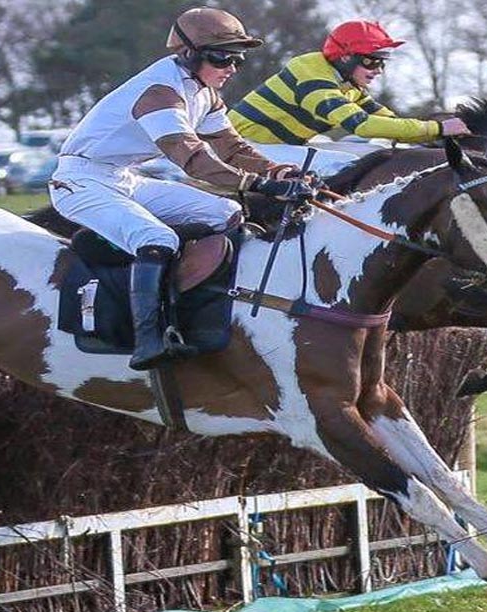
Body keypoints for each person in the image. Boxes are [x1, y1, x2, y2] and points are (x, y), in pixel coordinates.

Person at [49, 7, 313, 371]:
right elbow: (192, 160)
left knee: (228, 212)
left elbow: (233, 149)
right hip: (80, 181)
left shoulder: (203, 91)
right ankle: (148, 339)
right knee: (157, 239)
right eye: (223, 57)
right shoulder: (160, 92)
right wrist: (259, 185)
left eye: (237, 58)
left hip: (124, 178)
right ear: (188, 53)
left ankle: (193, 300)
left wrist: (278, 171)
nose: (232, 67)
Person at [229, 20, 469, 148]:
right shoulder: (311, 74)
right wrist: (436, 129)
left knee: (372, 153)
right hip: (239, 147)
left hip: (274, 148)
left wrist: (438, 134)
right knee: (349, 164)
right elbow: (361, 126)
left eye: (382, 63)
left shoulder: (348, 85)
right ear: (345, 57)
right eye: (372, 62)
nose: (378, 71)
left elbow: (390, 124)